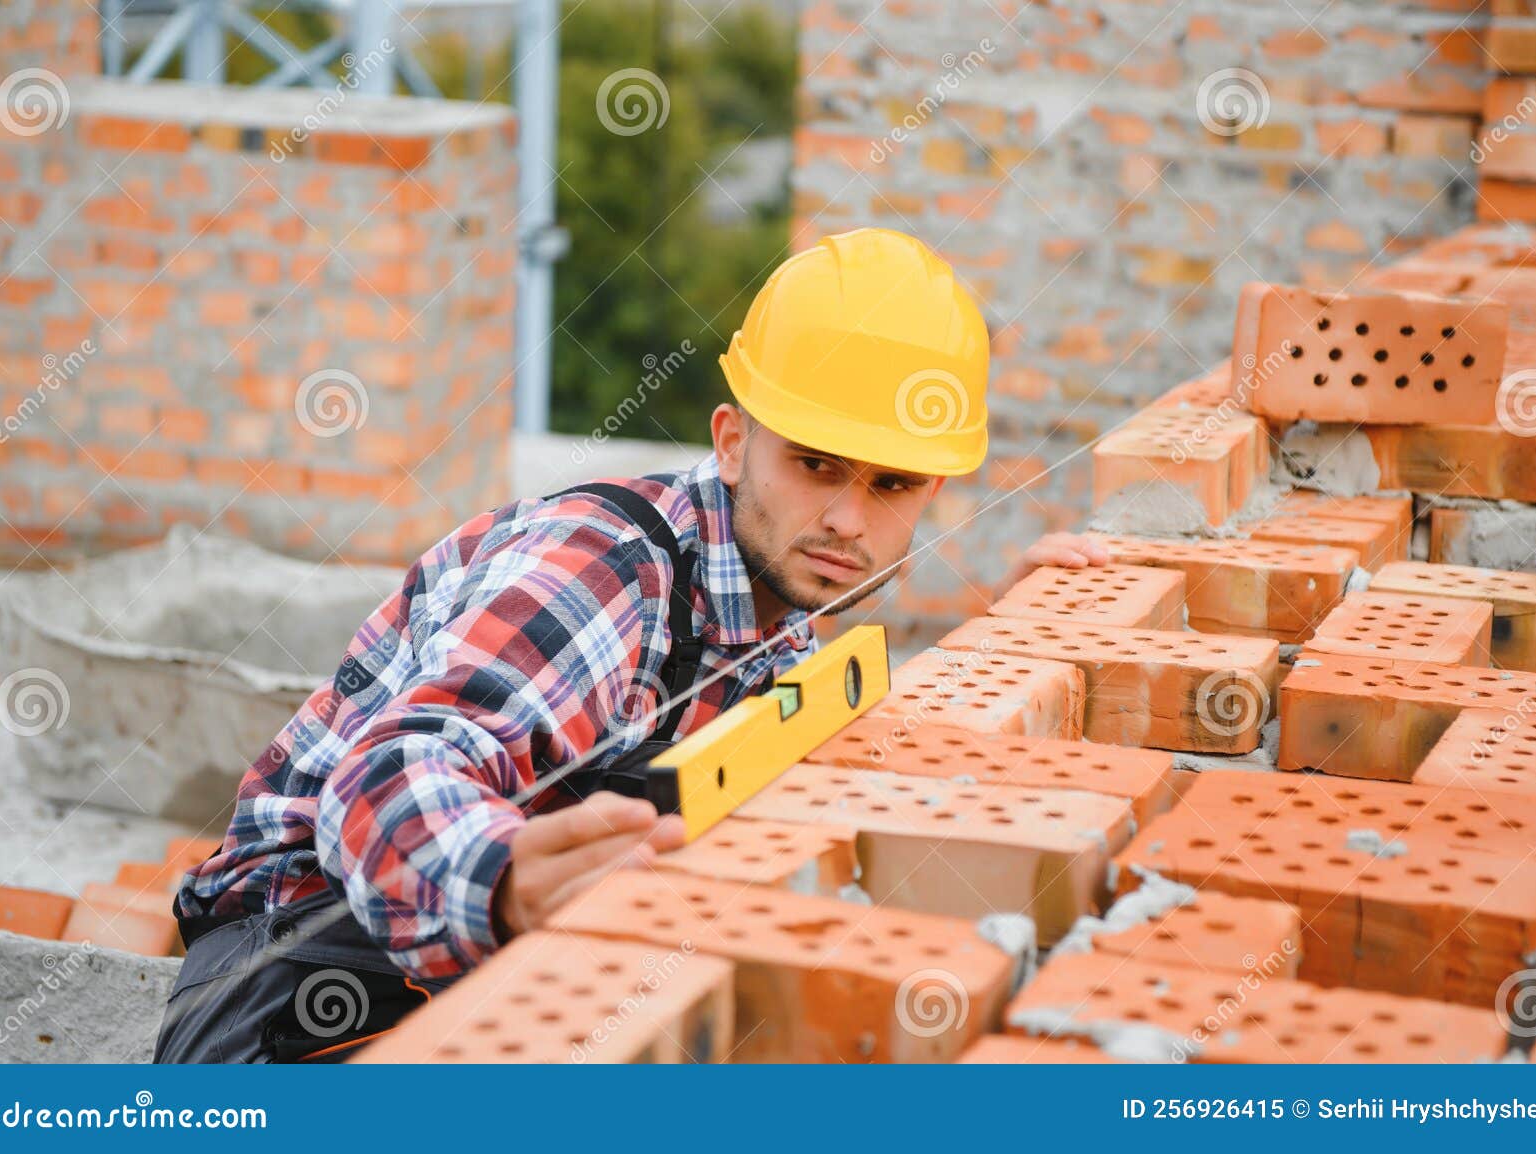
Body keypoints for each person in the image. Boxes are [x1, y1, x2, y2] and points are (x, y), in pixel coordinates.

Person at [153, 227, 1107, 1063]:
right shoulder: (607, 572)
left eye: (891, 487)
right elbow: (390, 771)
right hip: (293, 987)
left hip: (495, 974)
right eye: (815, 464)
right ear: (732, 442)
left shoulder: (780, 606)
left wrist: (1012, 648)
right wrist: (504, 879)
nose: (848, 520)